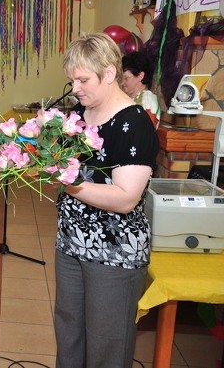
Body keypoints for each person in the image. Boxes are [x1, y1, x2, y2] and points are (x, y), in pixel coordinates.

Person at [55, 33, 159, 368]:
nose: (75, 88)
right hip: (71, 243)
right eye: (72, 80)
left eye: (83, 80)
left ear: (110, 73)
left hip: (114, 253)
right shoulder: (78, 116)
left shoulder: (134, 123)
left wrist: (68, 184)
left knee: (106, 344)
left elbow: (126, 198)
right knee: (69, 332)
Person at [121, 51, 161, 129]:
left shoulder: (148, 100)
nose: (122, 82)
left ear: (140, 76)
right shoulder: (128, 97)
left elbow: (144, 131)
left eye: (126, 78)